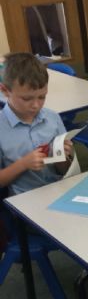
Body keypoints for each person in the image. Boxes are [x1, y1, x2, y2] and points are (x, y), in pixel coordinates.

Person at [0, 52, 73, 197]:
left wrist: (63, 158)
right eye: (27, 99)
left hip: (60, 189)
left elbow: (66, 170)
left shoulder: (53, 118)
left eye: (42, 97)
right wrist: (23, 164)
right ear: (5, 91)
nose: (36, 105)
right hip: (25, 197)